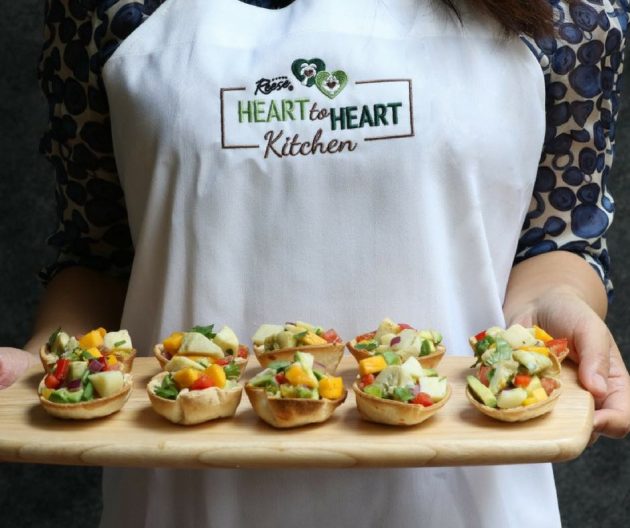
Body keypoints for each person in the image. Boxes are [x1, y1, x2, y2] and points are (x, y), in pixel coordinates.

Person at [2, 0, 630, 526]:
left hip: (467, 496)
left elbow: (558, 241)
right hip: (182, 496)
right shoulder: (106, 9)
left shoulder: (572, 12)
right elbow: (98, 252)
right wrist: (46, 365)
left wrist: (560, 309)